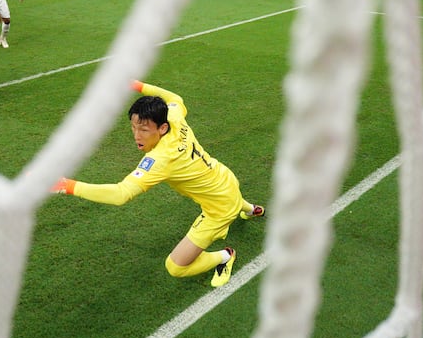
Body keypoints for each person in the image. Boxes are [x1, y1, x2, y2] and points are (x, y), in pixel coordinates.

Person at [52, 81, 265, 288]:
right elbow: (174, 99)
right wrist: (137, 85)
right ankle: (252, 209)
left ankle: (225, 257)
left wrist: (67, 185)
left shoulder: (160, 160)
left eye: (144, 130)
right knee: (229, 195)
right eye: (133, 127)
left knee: (176, 266)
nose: (137, 136)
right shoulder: (173, 116)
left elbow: (120, 194)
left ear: (162, 128)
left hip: (219, 208)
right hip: (223, 177)